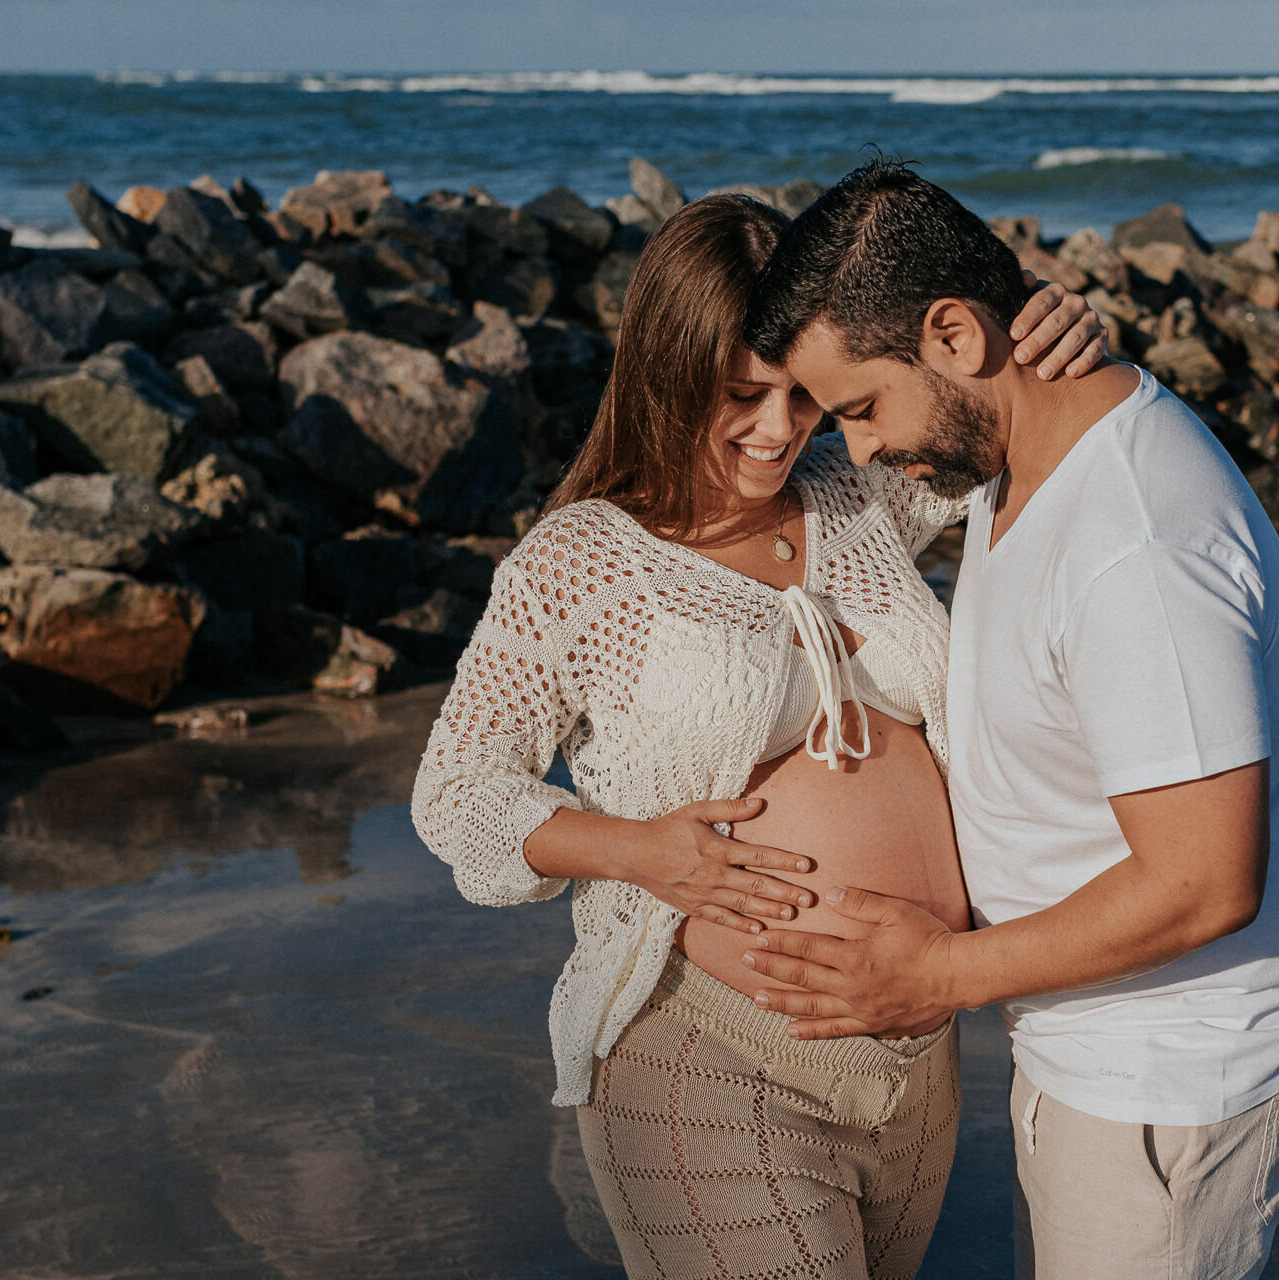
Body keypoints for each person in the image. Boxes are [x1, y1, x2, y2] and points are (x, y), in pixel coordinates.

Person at [410, 191, 1106, 1280]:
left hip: (919, 1061)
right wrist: (635, 850)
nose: (778, 431)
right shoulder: (586, 560)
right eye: (740, 395)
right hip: (708, 1050)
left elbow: (987, 423)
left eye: (801, 398)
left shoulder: (858, 493)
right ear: (668, 373)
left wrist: (1048, 341)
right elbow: (457, 791)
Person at [740, 159, 1279, 1280]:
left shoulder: (1134, 549)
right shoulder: (1017, 449)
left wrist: (935, 974)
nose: (861, 449)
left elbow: (1207, 879)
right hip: (1102, 1054)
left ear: (956, 336)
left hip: (1170, 1080)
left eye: (862, 408)